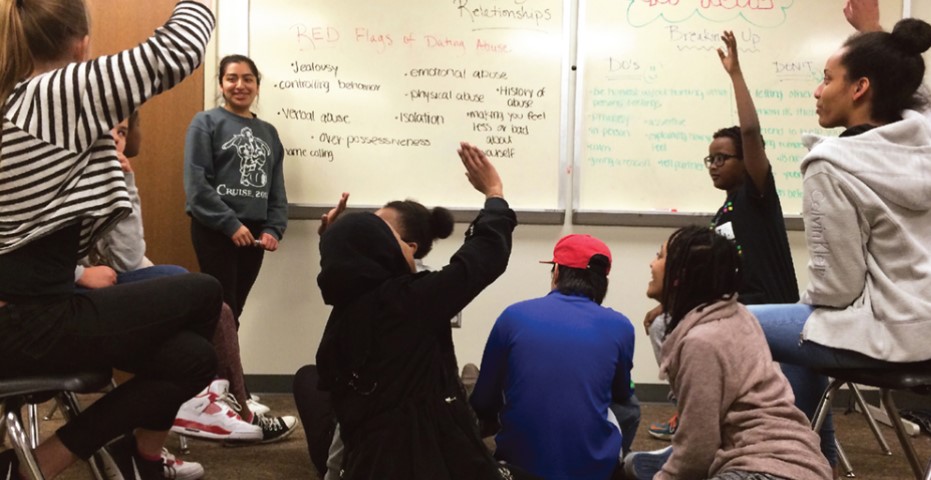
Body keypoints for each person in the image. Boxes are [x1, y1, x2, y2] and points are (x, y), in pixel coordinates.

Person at [0, 1, 220, 479]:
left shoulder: (19, 99)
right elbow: (179, 48)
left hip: (28, 318)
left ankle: (131, 458)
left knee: (195, 358)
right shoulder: (55, 93)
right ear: (81, 41)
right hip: (34, 324)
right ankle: (57, 457)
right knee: (205, 292)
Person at [747, 0, 931, 471]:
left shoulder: (831, 166)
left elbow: (837, 290)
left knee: (717, 322)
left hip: (892, 335)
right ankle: (812, 459)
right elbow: (916, 93)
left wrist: (807, 305)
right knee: (805, 337)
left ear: (860, 88)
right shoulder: (924, 134)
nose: (817, 90)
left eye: (827, 79)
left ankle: (773, 458)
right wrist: (875, 34)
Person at [315, 142, 535, 480]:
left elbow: (344, 266)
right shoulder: (412, 301)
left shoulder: (344, 308)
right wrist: (494, 193)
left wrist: (336, 238)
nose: (407, 248)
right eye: (390, 238)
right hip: (425, 457)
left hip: (366, 460)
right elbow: (483, 257)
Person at [645, 29, 800, 442]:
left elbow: (751, 134)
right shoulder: (723, 214)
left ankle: (700, 416)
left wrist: (736, 75)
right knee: (661, 321)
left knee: (671, 327)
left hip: (771, 308)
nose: (713, 165)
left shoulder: (757, 196)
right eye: (709, 158)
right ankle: (698, 411)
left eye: (721, 157)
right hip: (739, 310)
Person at [623, 227, 832, 480]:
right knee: (634, 464)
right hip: (803, 461)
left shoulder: (701, 343)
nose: (651, 263)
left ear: (680, 276)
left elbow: (697, 452)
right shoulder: (739, 316)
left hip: (763, 469)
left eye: (659, 256)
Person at [293, 195, 458, 478]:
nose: (368, 227)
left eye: (380, 226)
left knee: (312, 382)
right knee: (309, 378)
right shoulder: (372, 282)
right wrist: (333, 237)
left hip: (368, 446)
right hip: (364, 432)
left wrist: (494, 194)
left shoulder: (409, 298)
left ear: (409, 247)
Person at [469, 233, 638, 480]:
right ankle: (615, 464)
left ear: (556, 272)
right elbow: (622, 393)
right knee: (630, 406)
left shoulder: (513, 316)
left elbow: (484, 401)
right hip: (593, 472)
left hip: (518, 468)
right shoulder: (620, 325)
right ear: (603, 281)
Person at [183, 53, 287, 327]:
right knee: (223, 310)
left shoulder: (269, 133)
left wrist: (273, 229)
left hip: (254, 235)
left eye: (247, 79)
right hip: (216, 230)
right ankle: (219, 369)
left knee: (234, 312)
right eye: (232, 78)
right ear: (221, 84)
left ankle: (222, 367)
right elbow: (197, 185)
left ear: (257, 86)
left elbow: (276, 188)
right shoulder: (205, 122)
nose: (240, 85)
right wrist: (230, 224)